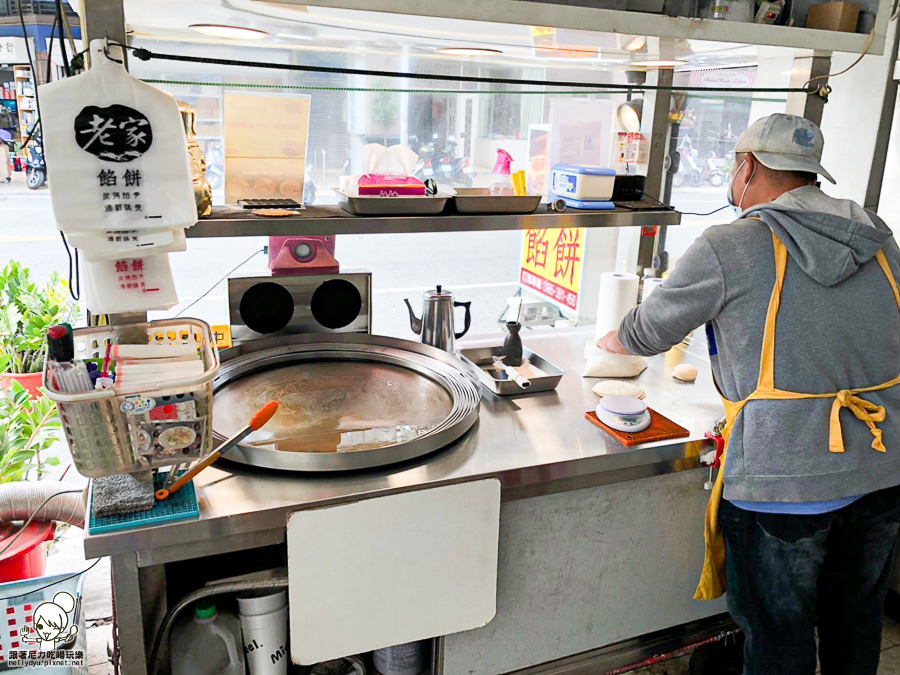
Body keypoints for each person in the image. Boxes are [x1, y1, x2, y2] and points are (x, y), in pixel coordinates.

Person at [597, 113, 900, 675]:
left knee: (779, 637)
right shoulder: (878, 239)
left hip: (783, 480)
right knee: (855, 624)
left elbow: (645, 333)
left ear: (748, 167)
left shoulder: (731, 244)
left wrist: (607, 340)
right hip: (882, 470)